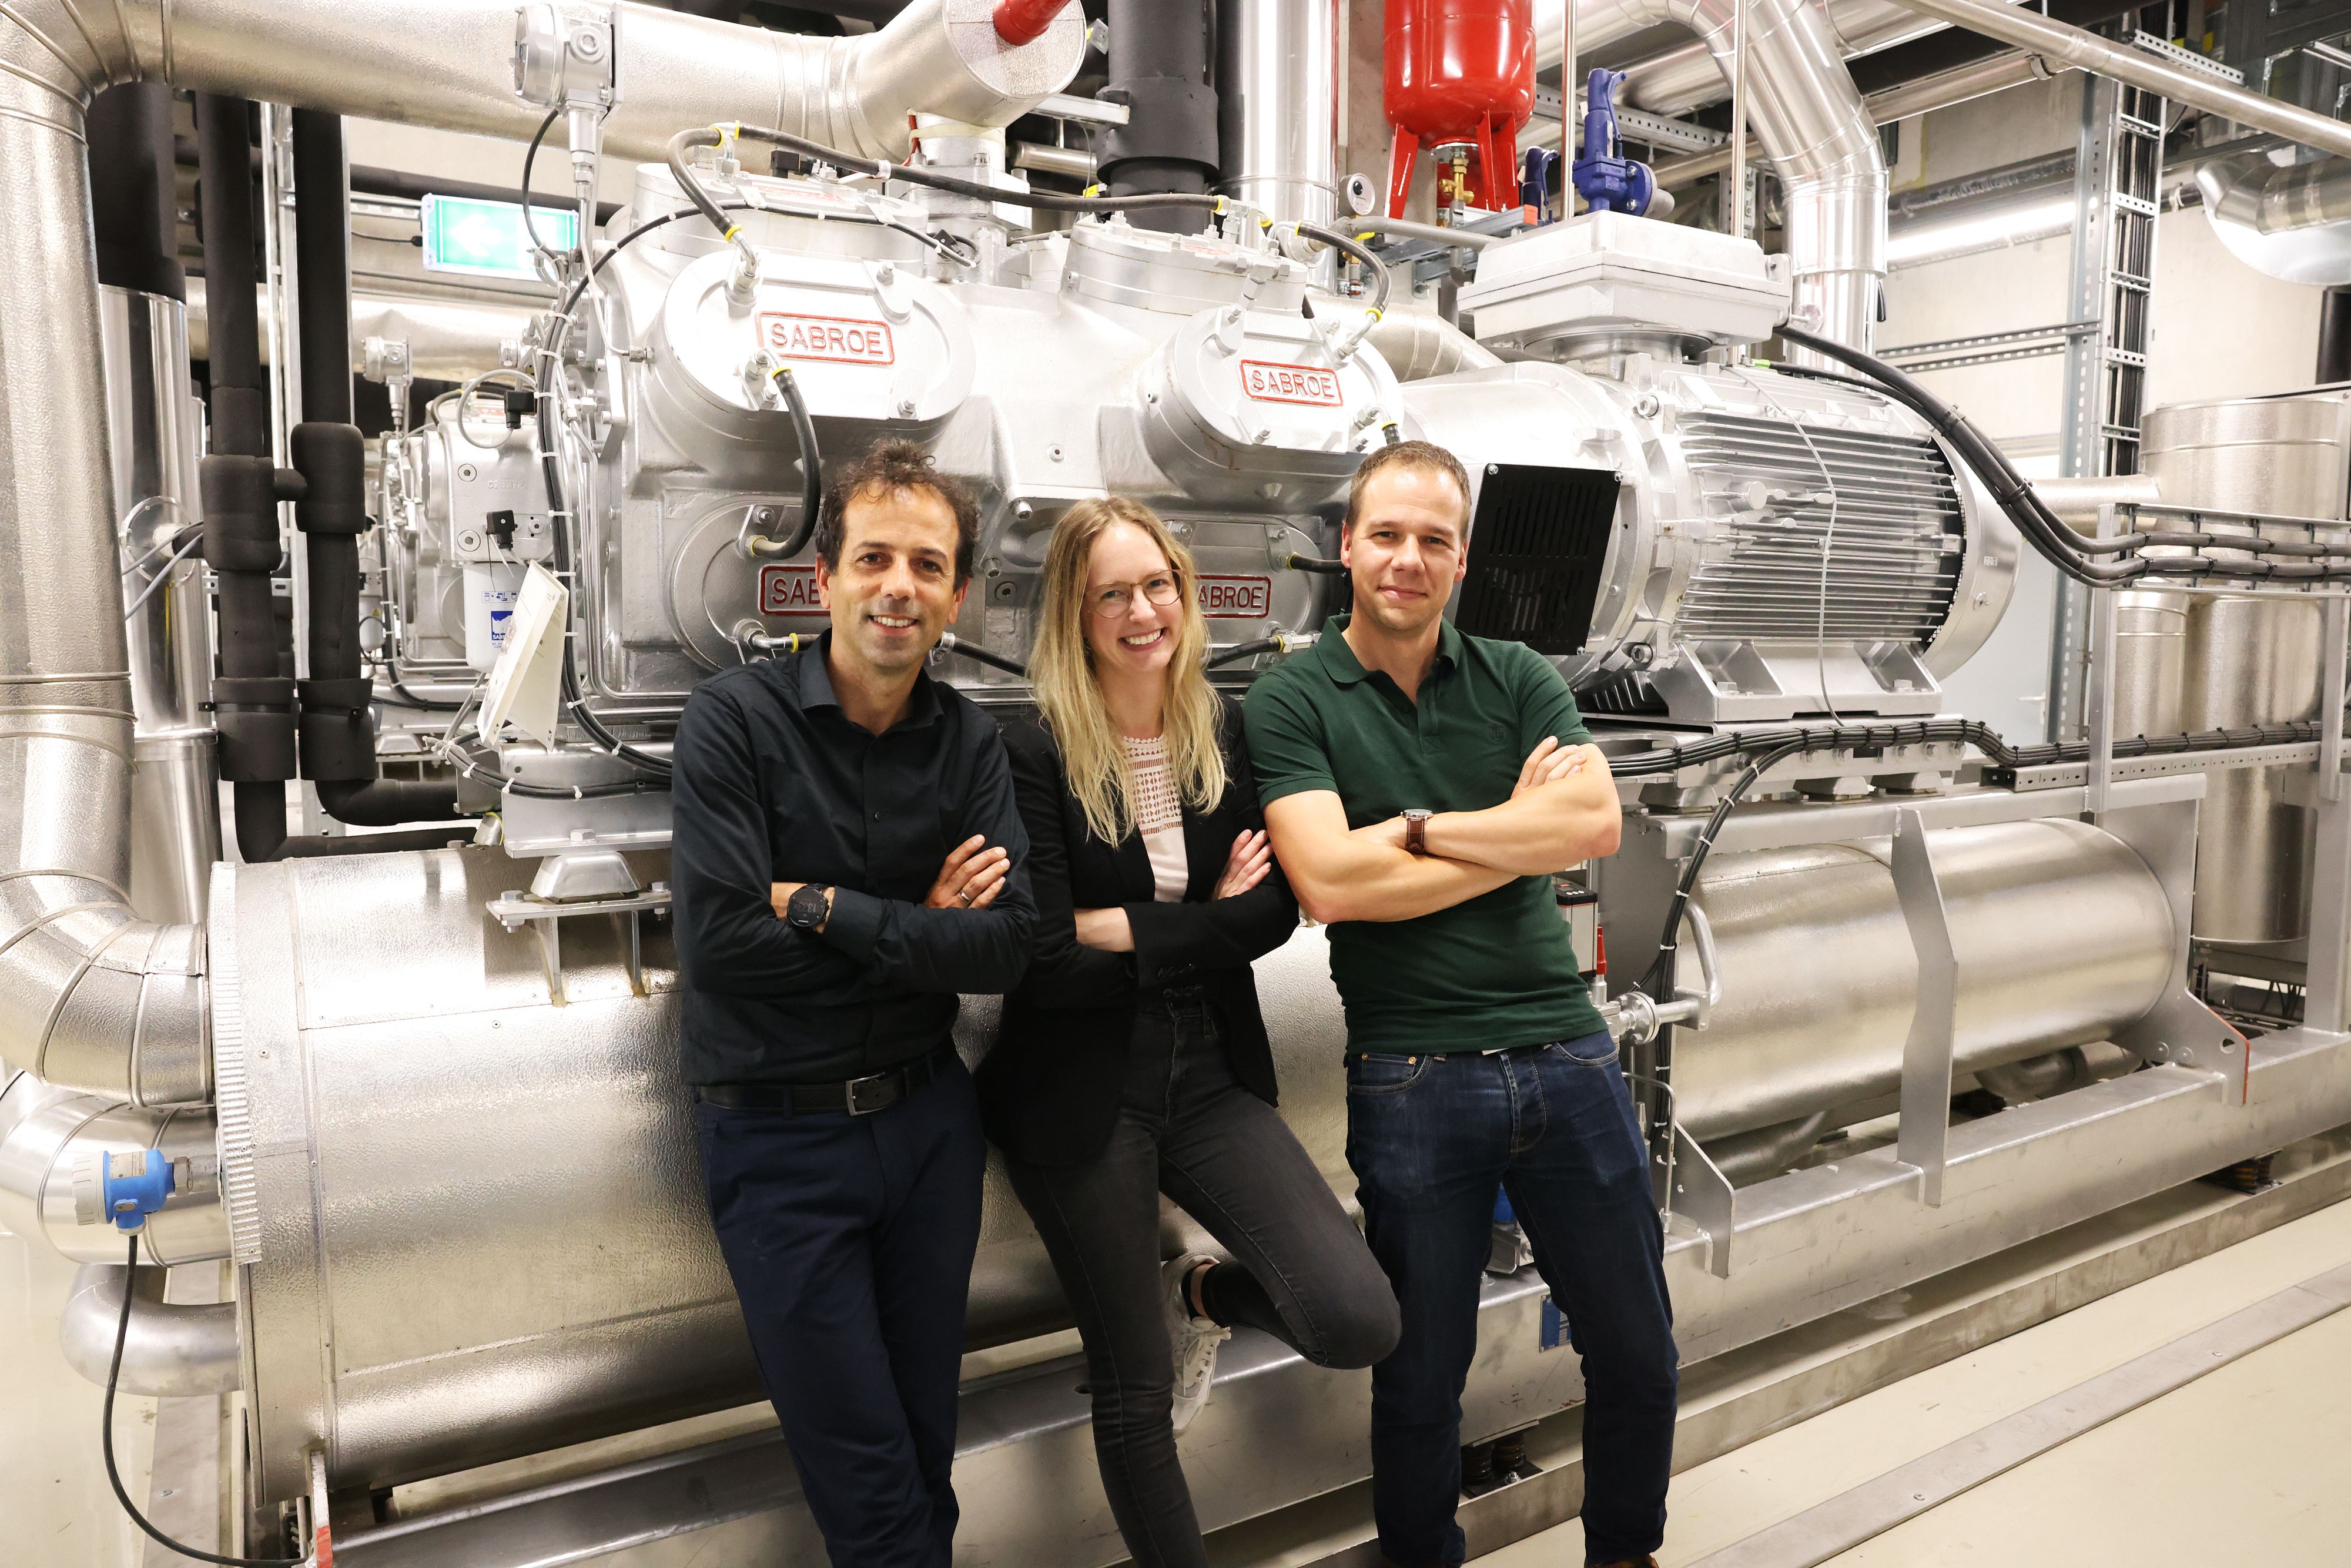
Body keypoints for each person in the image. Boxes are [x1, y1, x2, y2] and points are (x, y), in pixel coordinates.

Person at [1245, 441, 1677, 1568]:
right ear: (1348, 546)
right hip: (1414, 1075)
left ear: (1463, 560)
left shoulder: (1520, 675)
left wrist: (1425, 832)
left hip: (1570, 1056)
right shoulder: (1293, 696)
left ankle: (1626, 1554)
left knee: (1637, 1350)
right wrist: (1508, 840)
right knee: (1420, 1377)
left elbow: (1590, 829)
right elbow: (1331, 885)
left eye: (1434, 539)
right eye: (1386, 534)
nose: (1407, 559)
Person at [978, 496, 1401, 1568]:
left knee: (1357, 1318)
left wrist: (1142, 927)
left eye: (1156, 585)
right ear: (1075, 613)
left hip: (1209, 1066)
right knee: (1134, 1386)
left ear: (1185, 594)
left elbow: (1272, 913)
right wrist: (1204, 919)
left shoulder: (1227, 725)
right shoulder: (1029, 745)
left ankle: (1201, 1291)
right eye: (1111, 593)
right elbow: (1043, 954)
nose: (1141, 610)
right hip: (1078, 1088)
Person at [669, 439, 1036, 1568]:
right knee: (871, 1487)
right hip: (783, 1148)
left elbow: (1009, 944)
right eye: (874, 558)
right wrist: (916, 919)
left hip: (930, 1130)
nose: (900, 588)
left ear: (958, 592)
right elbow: (725, 944)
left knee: (928, 1449)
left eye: (928, 567)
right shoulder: (734, 722)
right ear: (823, 575)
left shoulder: (972, 738)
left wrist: (825, 906)